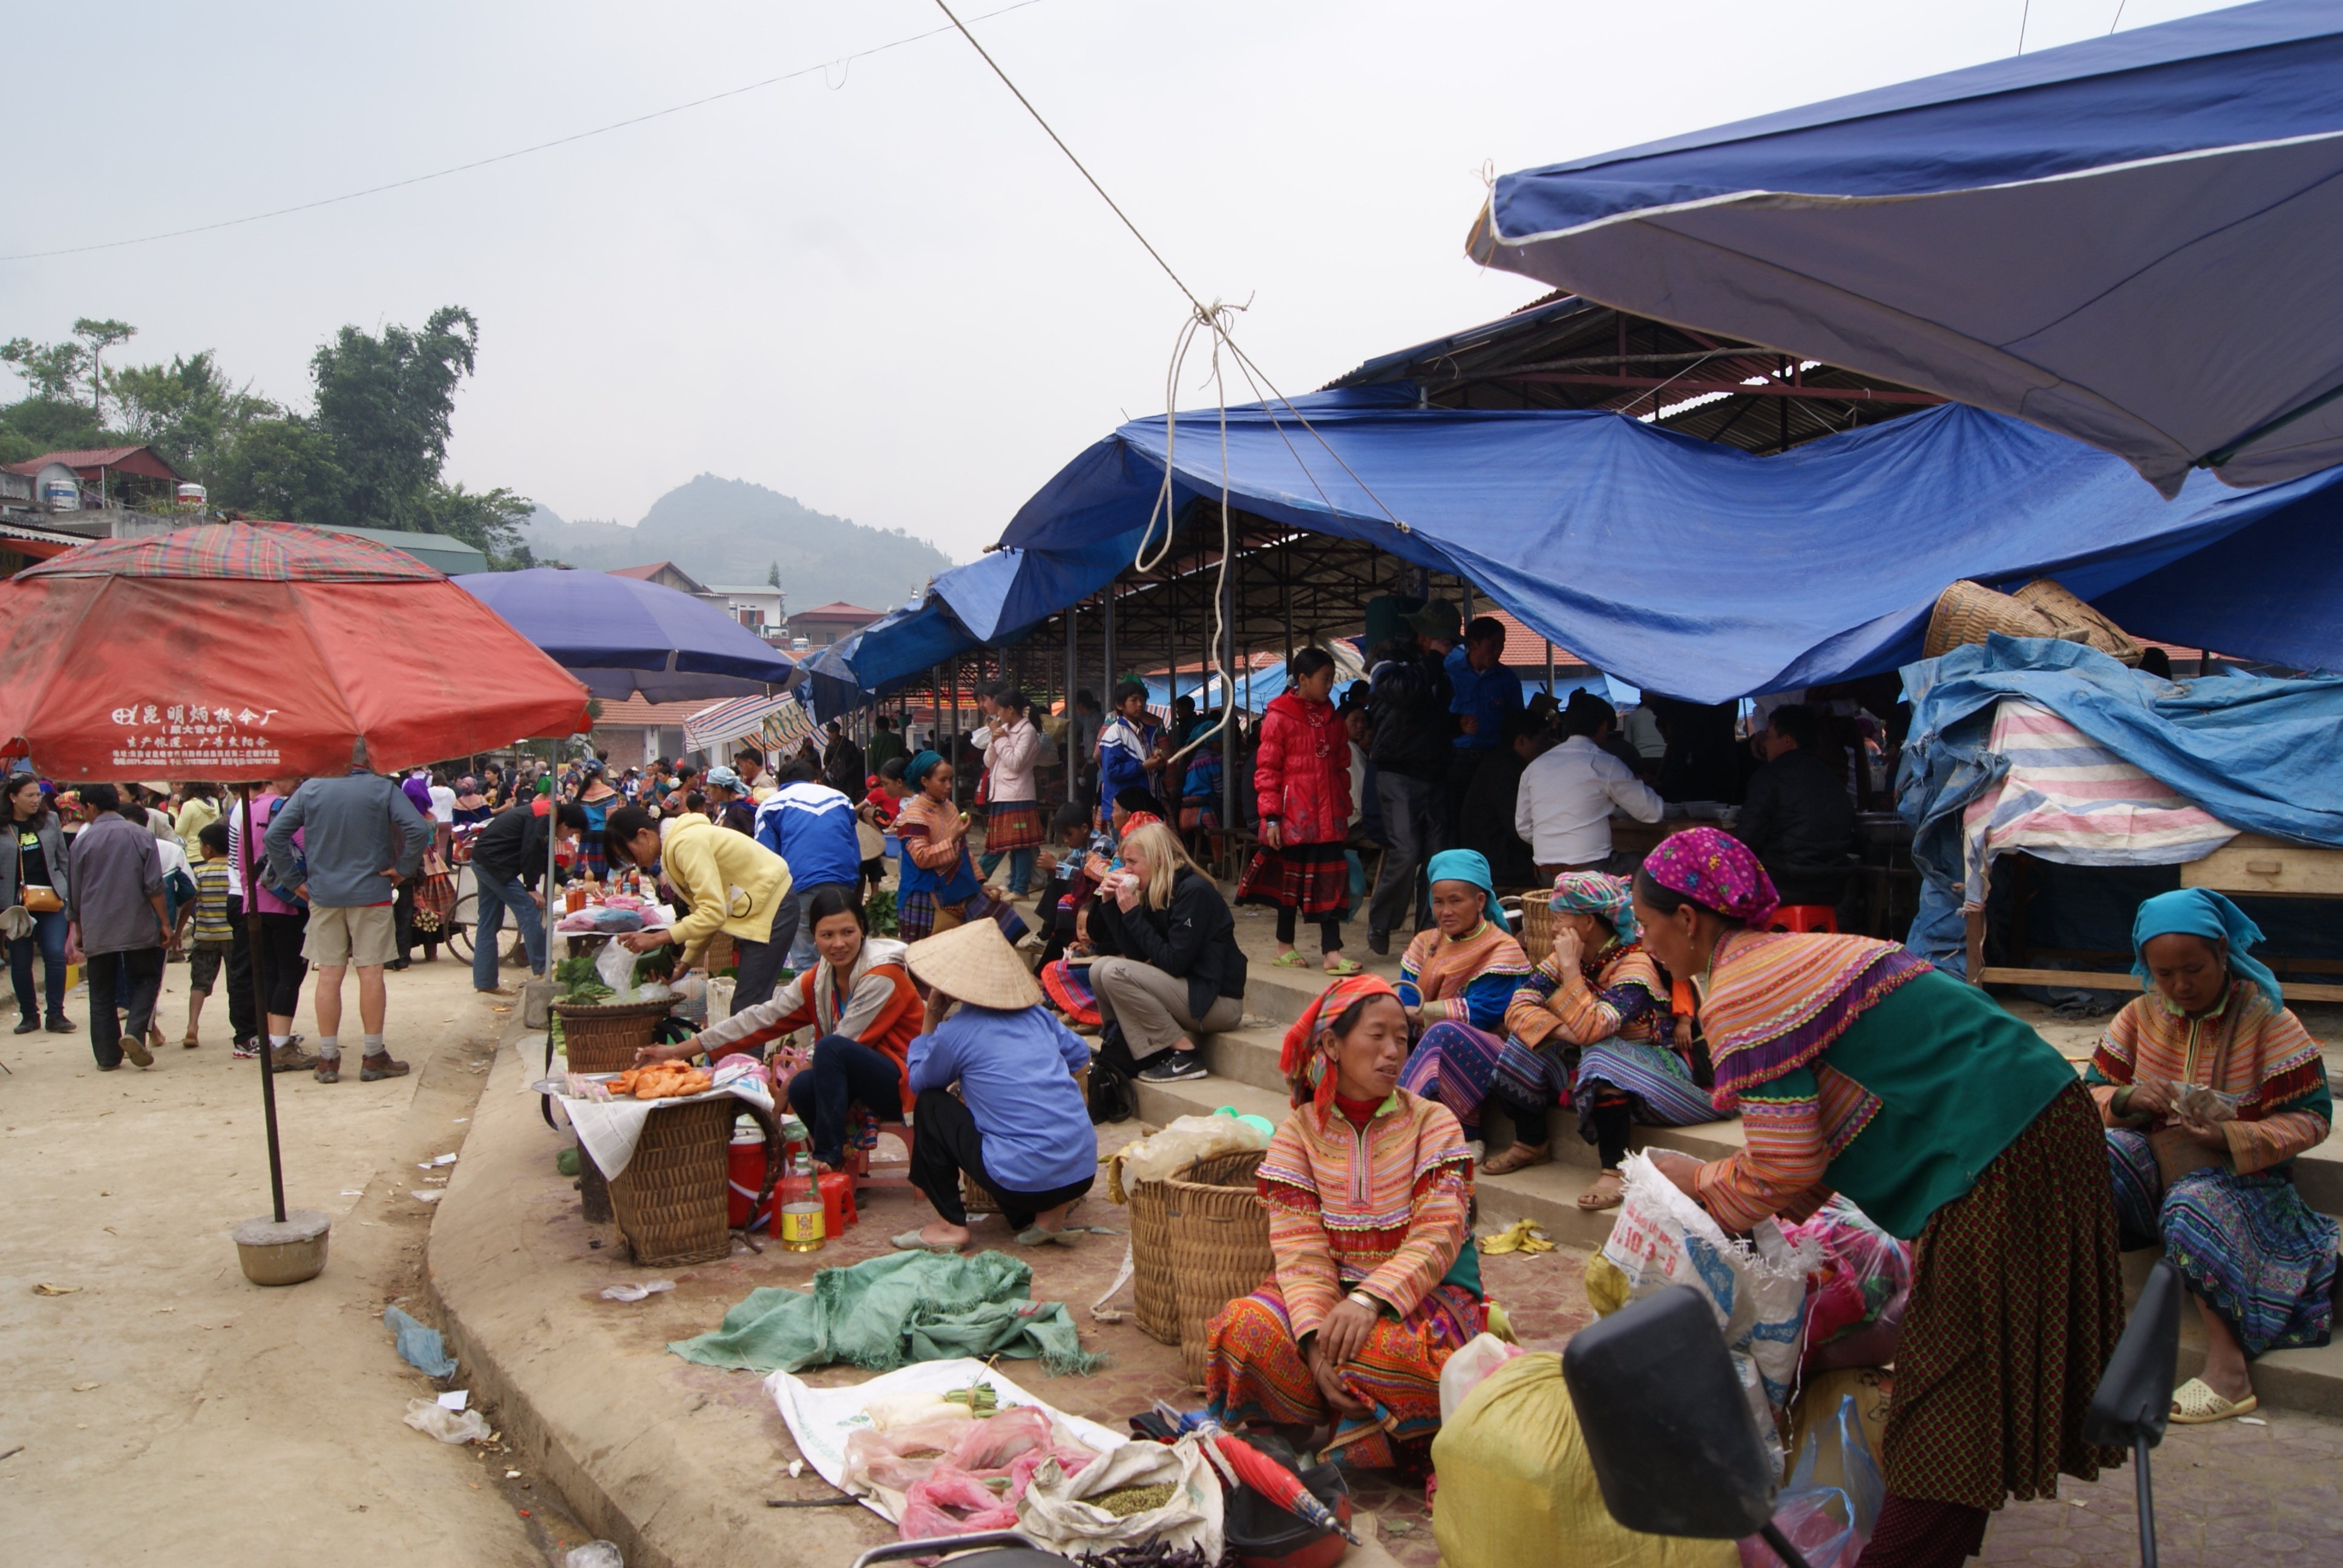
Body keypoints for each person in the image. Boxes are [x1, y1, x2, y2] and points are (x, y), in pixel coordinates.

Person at [1630, 828, 2122, 1565]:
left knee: (1943, 1395)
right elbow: (1835, 1119)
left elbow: (1788, 1164)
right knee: (1967, 1379)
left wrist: (1695, 1184)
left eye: (1645, 924)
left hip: (1997, 1155)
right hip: (2042, 1119)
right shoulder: (1807, 954)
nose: (1643, 941)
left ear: (1689, 919)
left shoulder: (1739, 992)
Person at [1202, 974, 1482, 1470]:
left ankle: (1355, 1424)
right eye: (1377, 1036)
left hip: (1418, 1297)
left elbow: (1438, 1236)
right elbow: (1300, 1247)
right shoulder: (1300, 1131)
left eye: (1402, 1038)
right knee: (1245, 1328)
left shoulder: (1433, 1122)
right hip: (1328, 1300)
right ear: (1332, 1044)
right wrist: (1313, 1344)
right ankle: (1312, 1415)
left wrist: (1368, 1300)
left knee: (1399, 1356)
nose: (1393, 1052)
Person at [2090, 889, 2336, 1422]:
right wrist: (2128, 1099)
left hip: (2247, 1183)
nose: (2181, 985)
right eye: (2164, 973)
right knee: (2094, 1157)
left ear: (2224, 951)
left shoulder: (2268, 1018)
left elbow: (2314, 1118)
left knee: (2192, 1203)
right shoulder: (2139, 1017)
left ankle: (2229, 1369)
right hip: (2160, 1165)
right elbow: (2090, 1097)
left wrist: (2231, 1137)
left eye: (2194, 968)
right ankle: (2087, 1327)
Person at [646, 886, 922, 1171]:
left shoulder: (882, 975)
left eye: (847, 933)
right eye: (827, 935)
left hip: (903, 1080)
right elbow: (761, 1017)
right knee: (804, 1088)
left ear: (862, 930)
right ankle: (840, 1166)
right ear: (813, 937)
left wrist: (787, 1082)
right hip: (858, 1078)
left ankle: (828, 1156)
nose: (838, 944)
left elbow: (845, 1040)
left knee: (827, 1051)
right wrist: (679, 1050)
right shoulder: (818, 979)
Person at [1483, 872, 1712, 1203]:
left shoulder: (1635, 966)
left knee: (1603, 1053)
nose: (1552, 927)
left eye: (1560, 917)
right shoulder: (1567, 958)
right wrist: (1563, 1031)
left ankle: (1614, 1170)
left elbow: (1595, 1029)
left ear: (1588, 923)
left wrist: (1572, 973)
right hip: (1599, 1064)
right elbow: (1518, 1006)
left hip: (1664, 1078)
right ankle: (1531, 1143)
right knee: (1523, 1044)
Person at [893, 920, 1098, 1252]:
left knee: (931, 1104)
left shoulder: (957, 1032)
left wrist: (931, 1018)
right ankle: (1049, 1219)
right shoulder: (1038, 1016)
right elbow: (1078, 1057)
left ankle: (949, 1227)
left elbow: (919, 1082)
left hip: (1022, 1178)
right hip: (1080, 1173)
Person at [266, 765, 433, 1084]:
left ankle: (328, 1059)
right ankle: (373, 1055)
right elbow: (417, 828)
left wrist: (294, 880)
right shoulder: (382, 788)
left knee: (328, 973)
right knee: (370, 972)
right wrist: (402, 868)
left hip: (323, 894)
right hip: (372, 892)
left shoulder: (312, 787)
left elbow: (275, 836)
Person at [1089, 818, 1248, 1085]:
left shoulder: (1194, 891)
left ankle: (1186, 1054)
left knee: (1115, 971)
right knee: (1099, 968)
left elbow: (1173, 963)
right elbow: (1139, 956)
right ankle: (1121, 1043)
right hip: (1185, 990)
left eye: (1132, 862)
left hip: (1215, 1001)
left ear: (1158, 859)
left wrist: (1132, 913)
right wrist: (1110, 907)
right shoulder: (1157, 889)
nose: (1126, 869)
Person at [1393, 850, 1535, 1143]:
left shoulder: (1501, 949)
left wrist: (1419, 1014)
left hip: (1488, 1048)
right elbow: (1406, 996)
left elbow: (1485, 1013)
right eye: (1439, 902)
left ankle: (1459, 1132)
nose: (1446, 911)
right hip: (1426, 1040)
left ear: (1480, 901)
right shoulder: (1425, 942)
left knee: (1444, 1033)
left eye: (1456, 901)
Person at [1236, 648, 1357, 975]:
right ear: (1303, 679)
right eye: (1325, 679)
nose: (1330, 685)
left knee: (1330, 882)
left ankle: (1332, 952)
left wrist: (1343, 807)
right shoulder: (1279, 717)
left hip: (1328, 817)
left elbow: (1341, 766)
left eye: (1332, 679)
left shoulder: (1332, 717)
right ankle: (1284, 946)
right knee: (1291, 885)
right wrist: (1271, 818)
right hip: (1294, 818)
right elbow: (1267, 772)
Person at [609, 802, 797, 1008]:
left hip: (773, 906)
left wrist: (655, 938)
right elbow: (706, 914)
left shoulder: (685, 844)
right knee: (748, 1006)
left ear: (643, 835)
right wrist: (685, 964)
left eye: (629, 854)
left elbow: (712, 914)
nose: (633, 862)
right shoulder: (678, 844)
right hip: (766, 906)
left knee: (747, 1008)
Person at [1364, 608, 1457, 956]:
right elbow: (1400, 694)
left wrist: (1455, 725)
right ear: (1428, 636)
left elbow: (1431, 714)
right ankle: (1382, 921)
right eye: (1445, 640)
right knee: (1405, 852)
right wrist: (1433, 660)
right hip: (1397, 771)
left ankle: (1429, 934)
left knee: (1436, 858)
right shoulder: (1388, 659)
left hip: (1433, 771)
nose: (1449, 648)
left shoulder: (1436, 669)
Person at [62, 784, 169, 1071]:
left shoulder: (82, 842)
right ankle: (135, 1028)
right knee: (146, 979)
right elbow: (154, 886)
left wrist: (79, 930)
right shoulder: (141, 835)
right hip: (137, 923)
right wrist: (165, 923)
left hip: (98, 926)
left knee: (101, 991)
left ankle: (108, 1058)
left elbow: (76, 892)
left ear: (91, 808)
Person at [1513, 690, 1663, 877]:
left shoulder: (1535, 767)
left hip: (1546, 873)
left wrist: (1556, 843)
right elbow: (1653, 813)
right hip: (1591, 872)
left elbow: (1524, 828)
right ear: (1603, 727)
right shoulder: (1605, 764)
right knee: (1657, 862)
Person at [890, 751, 1028, 947]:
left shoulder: (950, 808)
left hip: (957, 886)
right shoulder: (913, 816)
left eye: (951, 779)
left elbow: (963, 851)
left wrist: (979, 883)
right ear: (924, 781)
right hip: (924, 895)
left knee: (1004, 925)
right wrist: (953, 837)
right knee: (926, 959)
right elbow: (922, 858)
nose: (949, 786)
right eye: (942, 780)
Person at [1732, 702, 1858, 907]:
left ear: (1788, 741)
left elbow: (1748, 838)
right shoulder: (1832, 776)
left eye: (1770, 737)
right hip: (1834, 885)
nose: (1765, 744)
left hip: (1787, 884)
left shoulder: (1770, 776)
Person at [234, 776, 318, 1070]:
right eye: (292, 776)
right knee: (291, 973)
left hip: (255, 901)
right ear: (274, 777)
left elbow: (242, 861)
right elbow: (308, 847)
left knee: (270, 972)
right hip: (287, 902)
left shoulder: (248, 809)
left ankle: (273, 1040)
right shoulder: (285, 809)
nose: (297, 781)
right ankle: (281, 1045)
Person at [755, 756, 865, 970]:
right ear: (815, 778)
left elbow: (765, 858)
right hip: (844, 883)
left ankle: (814, 1002)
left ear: (780, 784)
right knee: (844, 954)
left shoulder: (771, 805)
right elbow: (854, 848)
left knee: (807, 960)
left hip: (800, 885)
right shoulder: (840, 799)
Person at [466, 802, 588, 993]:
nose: (568, 838)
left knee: (489, 922)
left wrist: (566, 881)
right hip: (493, 864)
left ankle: (485, 981)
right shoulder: (545, 817)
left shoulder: (548, 816)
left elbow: (544, 856)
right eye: (571, 833)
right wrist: (531, 887)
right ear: (566, 826)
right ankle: (542, 967)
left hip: (487, 861)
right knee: (528, 908)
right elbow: (531, 851)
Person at [5, 771, 73, 1036]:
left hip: (52, 899)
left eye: (38, 795)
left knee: (55, 954)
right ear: (12, 798)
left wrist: (69, 893)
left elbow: (63, 859)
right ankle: (28, 1015)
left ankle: (56, 1014)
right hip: (15, 905)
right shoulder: (3, 827)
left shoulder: (50, 820)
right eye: (29, 795)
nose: (36, 801)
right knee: (21, 961)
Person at [1457, 710, 1546, 890]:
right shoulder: (1506, 772)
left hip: (1495, 856)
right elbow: (1519, 828)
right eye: (1541, 741)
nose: (1545, 748)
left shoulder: (1502, 763)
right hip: (1499, 863)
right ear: (1521, 741)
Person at [975, 690, 1044, 898]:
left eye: (1001, 711)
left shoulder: (1028, 731)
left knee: (1019, 844)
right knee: (1012, 844)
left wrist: (1002, 739)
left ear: (1010, 709)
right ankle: (1015, 885)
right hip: (1001, 793)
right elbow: (989, 761)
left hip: (1018, 795)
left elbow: (1016, 763)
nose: (998, 716)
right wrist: (996, 738)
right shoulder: (1004, 729)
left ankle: (1019, 888)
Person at [180, 820, 235, 1048]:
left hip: (205, 935)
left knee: (199, 984)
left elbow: (191, 901)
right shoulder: (236, 871)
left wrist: (177, 934)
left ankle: (192, 1026)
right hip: (233, 936)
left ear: (208, 849)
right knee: (237, 983)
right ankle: (242, 1027)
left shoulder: (199, 872)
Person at [1095, 678, 1161, 828]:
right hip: (1124, 810)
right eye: (1134, 700)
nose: (1140, 704)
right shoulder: (1115, 733)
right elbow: (1112, 771)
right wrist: (1143, 766)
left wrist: (1159, 765)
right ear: (1120, 705)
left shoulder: (1147, 732)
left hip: (1143, 807)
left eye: (1142, 699)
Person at [568, 760, 624, 881]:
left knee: (586, 875)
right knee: (603, 876)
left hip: (587, 835)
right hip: (603, 835)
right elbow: (612, 820)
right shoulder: (609, 793)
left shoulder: (581, 793)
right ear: (601, 773)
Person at [822, 721, 867, 801]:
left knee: (850, 800)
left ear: (838, 731)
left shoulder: (850, 745)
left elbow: (856, 761)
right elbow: (826, 761)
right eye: (829, 733)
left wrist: (847, 772)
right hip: (836, 780)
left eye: (833, 732)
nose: (831, 735)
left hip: (849, 780)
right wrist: (833, 770)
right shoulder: (830, 747)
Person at [172, 782, 221, 848]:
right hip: (210, 850)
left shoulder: (189, 805)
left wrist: (172, 810)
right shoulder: (216, 803)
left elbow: (178, 832)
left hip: (193, 853)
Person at [865, 714, 908, 779]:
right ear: (888, 725)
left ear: (877, 727)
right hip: (895, 772)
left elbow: (872, 759)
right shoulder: (897, 738)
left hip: (881, 773)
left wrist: (873, 772)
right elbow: (903, 755)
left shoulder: (875, 740)